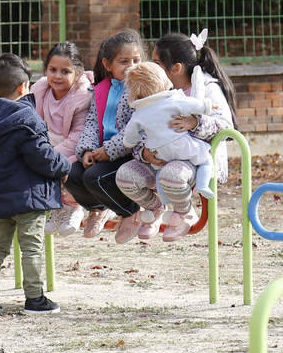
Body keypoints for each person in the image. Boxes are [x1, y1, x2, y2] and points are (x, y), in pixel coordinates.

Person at [0, 53, 71, 314]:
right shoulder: (27, 119)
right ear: (22, 87)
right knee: (31, 247)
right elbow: (42, 157)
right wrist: (65, 166)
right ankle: (35, 298)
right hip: (28, 197)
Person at [116, 29, 237, 242]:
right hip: (160, 158)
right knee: (125, 176)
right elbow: (138, 128)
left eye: (156, 62)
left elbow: (227, 128)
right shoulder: (153, 90)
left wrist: (195, 122)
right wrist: (145, 153)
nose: (150, 66)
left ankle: (184, 213)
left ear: (176, 68)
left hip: (193, 159)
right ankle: (155, 209)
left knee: (170, 175)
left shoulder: (207, 88)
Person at [67, 29, 144, 243]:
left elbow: (136, 128)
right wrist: (87, 150)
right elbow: (92, 121)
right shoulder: (101, 89)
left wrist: (108, 151)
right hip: (101, 151)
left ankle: (130, 212)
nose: (132, 66)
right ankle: (99, 209)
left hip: (128, 153)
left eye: (136, 60)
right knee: (70, 173)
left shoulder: (141, 89)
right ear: (107, 65)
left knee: (95, 177)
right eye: (124, 61)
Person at [122, 61, 216, 201]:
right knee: (206, 158)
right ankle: (203, 185)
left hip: (158, 150)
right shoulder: (173, 99)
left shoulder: (138, 112)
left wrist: (129, 143)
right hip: (180, 143)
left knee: (160, 170)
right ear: (163, 81)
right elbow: (193, 104)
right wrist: (207, 106)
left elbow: (129, 136)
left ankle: (164, 200)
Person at [30, 41, 92, 237]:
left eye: (65, 71)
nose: (57, 76)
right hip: (47, 145)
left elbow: (78, 136)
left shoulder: (82, 97)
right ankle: (55, 208)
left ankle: (74, 208)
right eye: (52, 69)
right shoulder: (39, 92)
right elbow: (32, 124)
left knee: (66, 170)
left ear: (78, 73)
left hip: (73, 149)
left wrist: (49, 156)